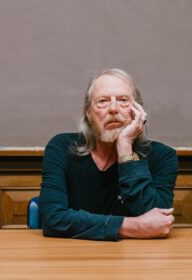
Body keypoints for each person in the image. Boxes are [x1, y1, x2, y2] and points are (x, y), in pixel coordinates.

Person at [40, 68, 178, 241]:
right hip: (72, 258)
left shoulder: (163, 157)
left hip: (137, 260)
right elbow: (53, 219)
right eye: (103, 101)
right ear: (88, 114)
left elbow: (157, 222)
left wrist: (125, 147)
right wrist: (132, 226)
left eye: (123, 100)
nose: (113, 109)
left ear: (138, 111)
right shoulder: (61, 147)